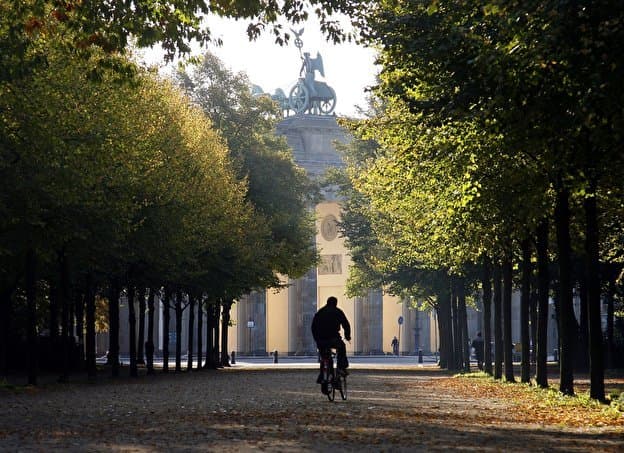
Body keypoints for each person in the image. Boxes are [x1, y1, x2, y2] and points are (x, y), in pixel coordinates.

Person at [311, 296, 351, 380]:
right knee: (342, 347)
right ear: (335, 303)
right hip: (333, 339)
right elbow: (346, 324)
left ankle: (322, 375)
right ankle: (341, 367)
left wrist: (316, 339)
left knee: (324, 357)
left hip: (321, 340)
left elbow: (313, 327)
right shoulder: (338, 311)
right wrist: (347, 336)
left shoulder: (320, 312)